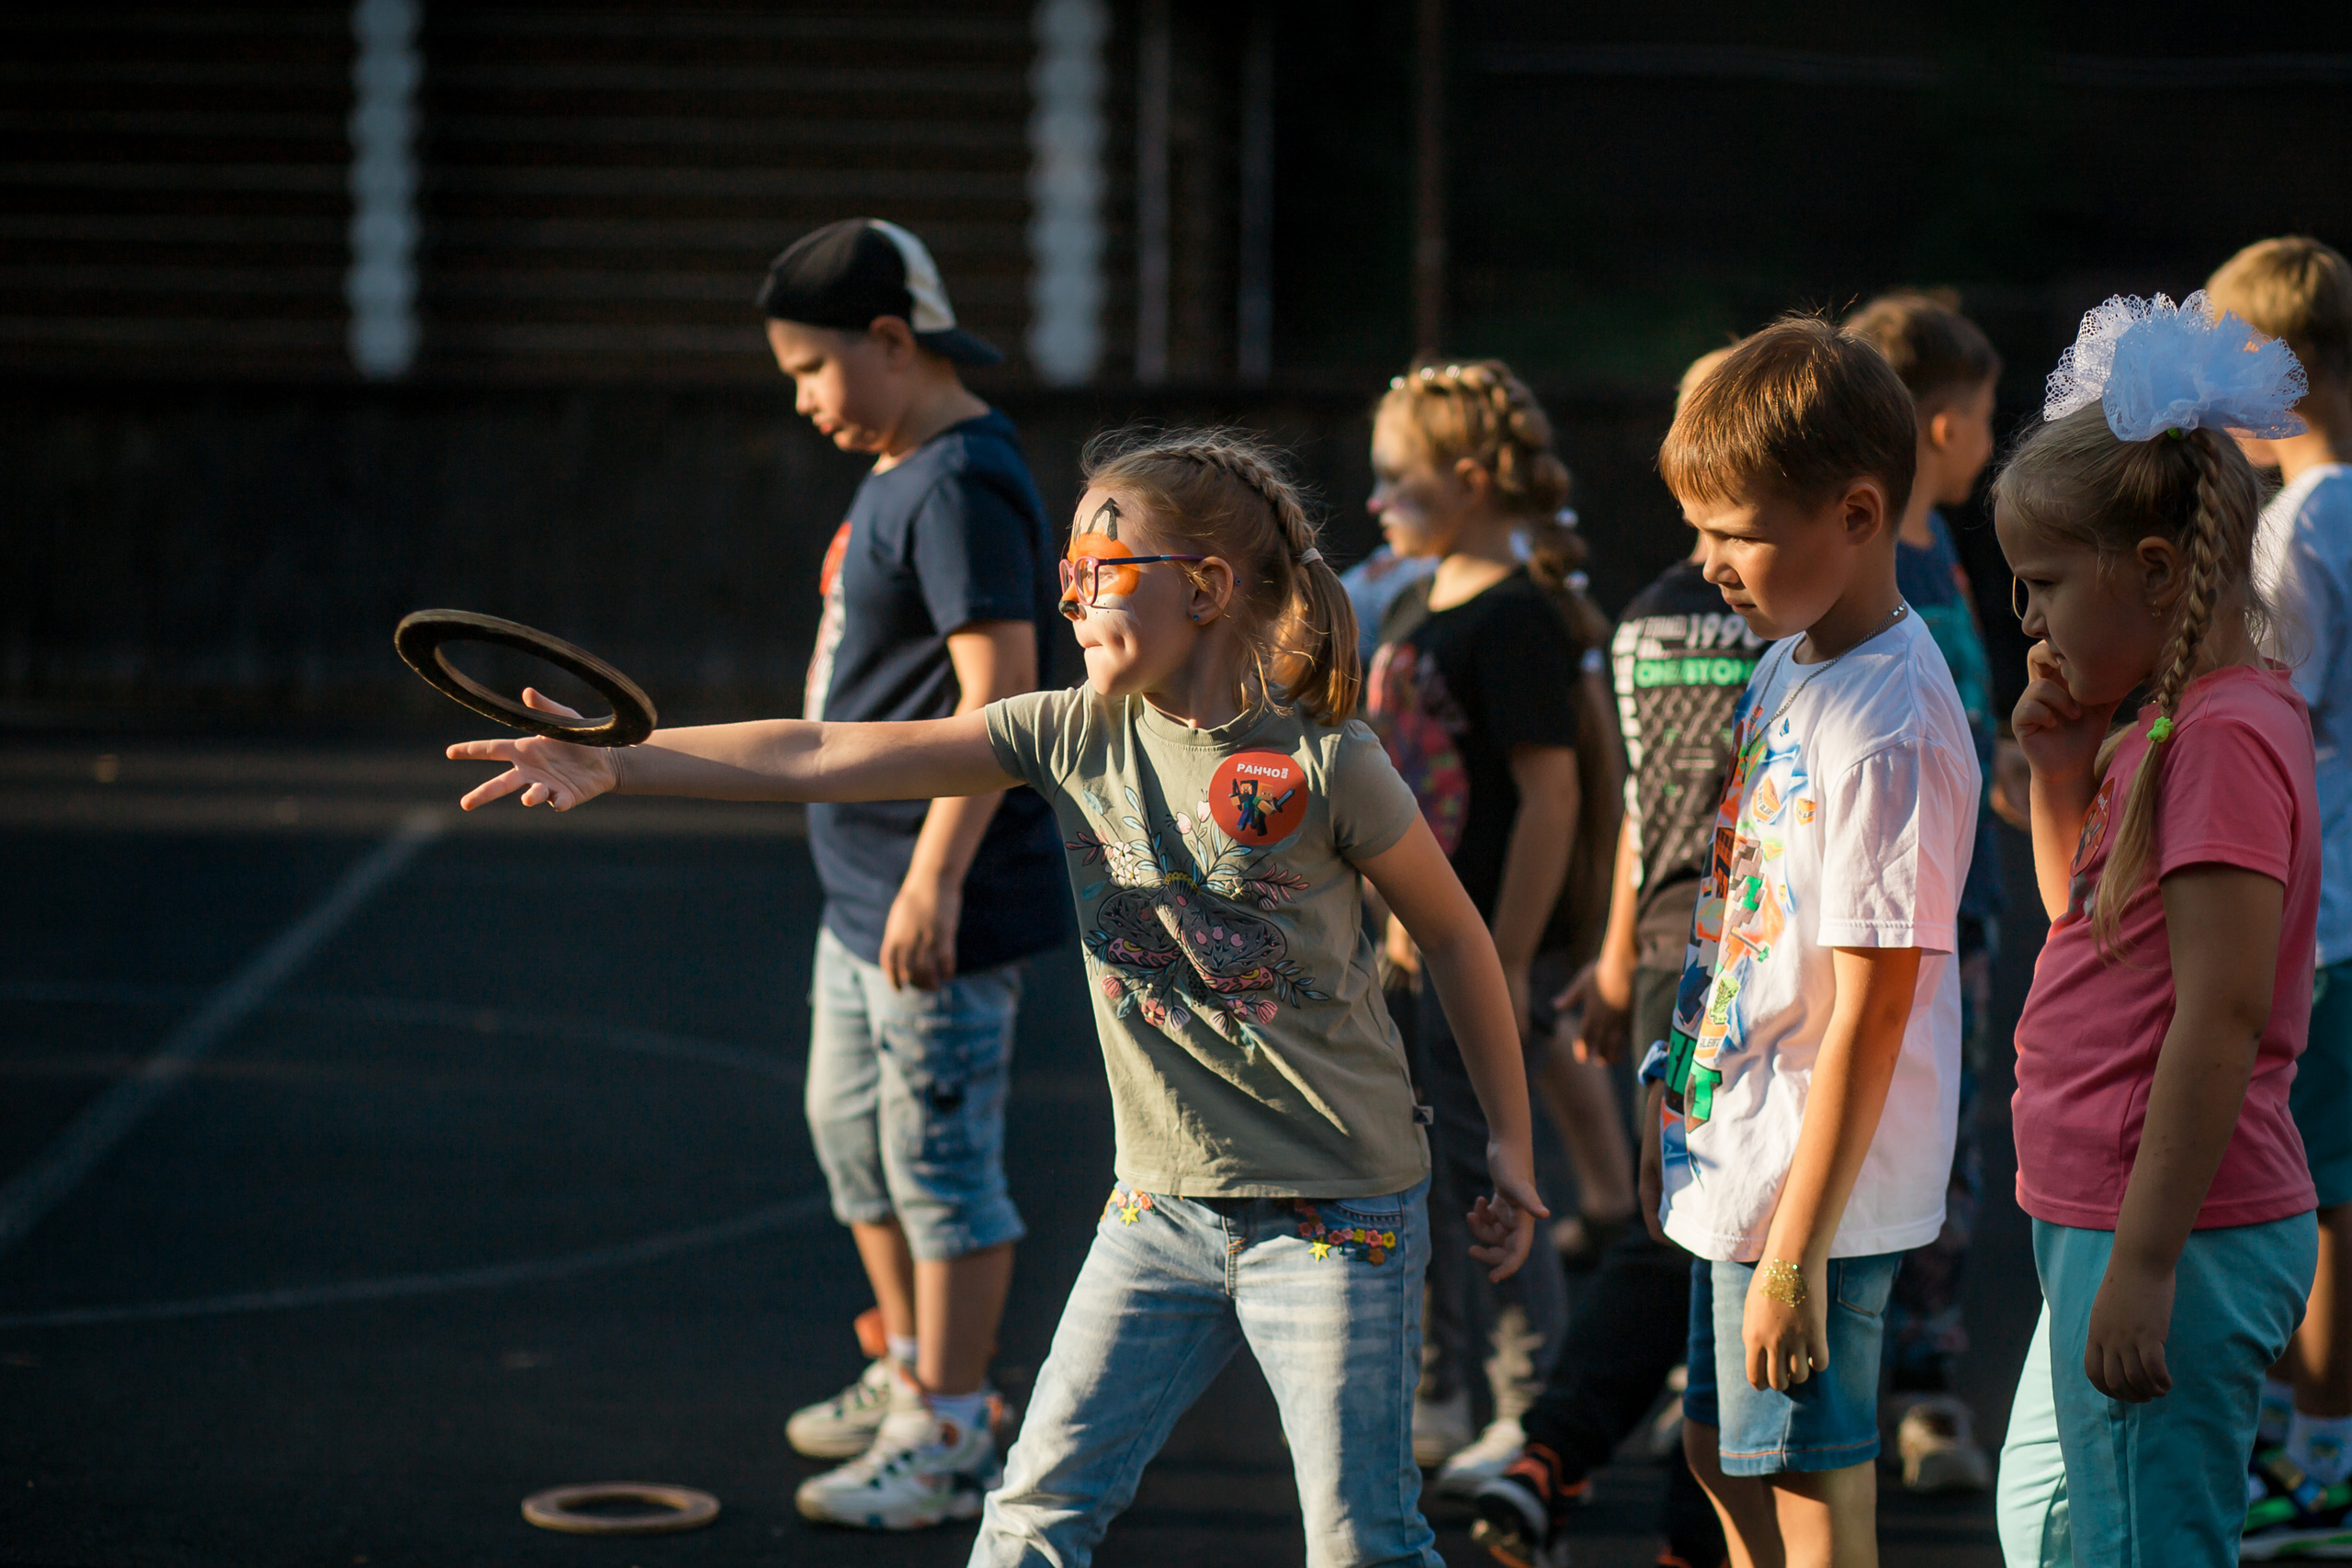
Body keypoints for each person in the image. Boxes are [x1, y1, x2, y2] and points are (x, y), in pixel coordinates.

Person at [442, 427, 1551, 1567]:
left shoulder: (1327, 759)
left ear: (1210, 588)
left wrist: (1508, 1144)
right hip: (1160, 1211)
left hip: (1335, 1217)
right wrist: (623, 760)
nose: (1070, 597)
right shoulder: (1066, 730)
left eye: (1102, 572)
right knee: (1029, 1518)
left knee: (1362, 1545)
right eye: (1064, 573)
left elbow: (1459, 941)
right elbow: (822, 747)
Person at [1990, 292, 2322, 1568]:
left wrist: (2145, 1261)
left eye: (2047, 585)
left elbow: (2222, 1012)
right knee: (2055, 1519)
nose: (2032, 620)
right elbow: (2093, 930)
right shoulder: (2164, 726)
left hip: (2165, 1224)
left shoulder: (2226, 736)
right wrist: (2064, 771)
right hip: (2103, 1212)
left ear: (2158, 570)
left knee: (2139, 1542)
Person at [1644, 315, 1978, 1568]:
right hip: (1740, 1141)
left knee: (1804, 1475)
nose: (1707, 558)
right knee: (1719, 1447)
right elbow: (1744, 919)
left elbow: (1876, 1007)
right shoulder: (1793, 658)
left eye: (1737, 529)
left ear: (1855, 511)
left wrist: (1795, 1250)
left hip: (1811, 1190)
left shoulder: (1888, 722)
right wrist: (1676, 1104)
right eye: (1701, 526)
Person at [753, 217, 1070, 1529]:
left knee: (942, 1164)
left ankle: (949, 1424)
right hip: (860, 894)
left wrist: (937, 874)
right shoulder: (898, 465)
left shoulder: (956, 479)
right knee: (854, 1140)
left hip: (929, 899)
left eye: (812, 371)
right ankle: (906, 1371)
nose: (805, 401)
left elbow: (1002, 692)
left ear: (890, 343)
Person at [1473, 344, 1750, 1568]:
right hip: (1756, 954)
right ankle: (1697, 1525)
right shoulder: (1806, 611)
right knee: (1739, 1248)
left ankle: (1553, 1447)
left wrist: (1621, 954)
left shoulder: (1646, 615)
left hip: (1667, 938)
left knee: (1664, 1225)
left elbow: (1643, 801)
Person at [1363, 360, 1628, 1495]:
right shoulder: (1423, 599)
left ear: (1467, 481)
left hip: (1471, 956)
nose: (1375, 503)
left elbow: (1554, 802)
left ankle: (1532, 1403)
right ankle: (1444, 1384)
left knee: (1489, 1179)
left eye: (1396, 481)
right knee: (1416, 1168)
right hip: (1408, 953)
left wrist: (1507, 954)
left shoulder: (1513, 616)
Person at [1843, 289, 2007, 1493]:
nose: (1992, 440)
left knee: (1947, 1148)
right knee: (1889, 1142)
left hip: (1970, 899)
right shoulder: (1867, 564)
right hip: (1909, 909)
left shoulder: (1936, 539)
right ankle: (1874, 1375)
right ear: (1943, 426)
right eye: (1991, 414)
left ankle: (1924, 1386)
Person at [2207, 237, 2352, 1556]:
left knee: (2312, 1182)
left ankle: (2319, 1457)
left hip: (2332, 910)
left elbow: (2272, 705)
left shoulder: (2303, 519)